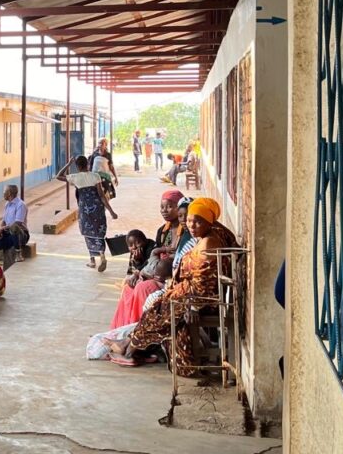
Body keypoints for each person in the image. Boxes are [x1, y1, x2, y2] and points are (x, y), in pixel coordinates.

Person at [105, 197, 238, 372]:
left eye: (197, 221)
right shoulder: (213, 233)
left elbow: (204, 284)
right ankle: (128, 345)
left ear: (209, 221)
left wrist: (193, 308)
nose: (191, 225)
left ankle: (129, 351)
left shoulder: (209, 244)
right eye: (189, 221)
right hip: (191, 294)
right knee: (157, 306)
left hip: (202, 300)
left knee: (159, 311)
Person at [56, 155, 118, 271]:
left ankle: (92, 260)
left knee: (88, 232)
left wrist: (69, 164)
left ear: (78, 167)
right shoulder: (95, 176)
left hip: (85, 210)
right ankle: (102, 255)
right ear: (88, 165)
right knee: (99, 231)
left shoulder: (75, 177)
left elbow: (58, 176)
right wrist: (111, 211)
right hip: (98, 208)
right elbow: (102, 196)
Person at [0, 185, 28, 268]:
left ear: (9, 193)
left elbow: (17, 223)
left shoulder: (20, 205)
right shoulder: (7, 204)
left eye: (4, 192)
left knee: (14, 228)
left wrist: (2, 229)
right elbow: (4, 221)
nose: (3, 194)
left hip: (20, 235)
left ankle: (18, 253)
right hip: (9, 235)